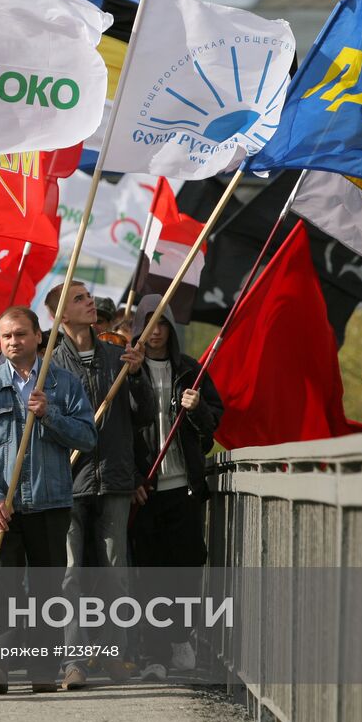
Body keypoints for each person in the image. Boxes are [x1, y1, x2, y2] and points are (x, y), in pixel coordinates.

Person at [0, 307, 96, 694]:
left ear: (39, 336)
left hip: (50, 502)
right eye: (5, 336)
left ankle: (43, 666)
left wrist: (49, 413)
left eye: (20, 334)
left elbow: (88, 438)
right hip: (1, 507)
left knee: (46, 589)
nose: (12, 342)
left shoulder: (64, 384)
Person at [48, 281, 151, 688]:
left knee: (115, 573)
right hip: (70, 480)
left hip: (115, 477)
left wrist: (138, 376)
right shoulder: (51, 365)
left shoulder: (118, 355)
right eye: (79, 299)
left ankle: (114, 654)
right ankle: (73, 661)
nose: (89, 302)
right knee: (71, 574)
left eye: (89, 296)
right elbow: (49, 425)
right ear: (61, 315)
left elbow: (143, 417)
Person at [130, 294, 223, 681]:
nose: (155, 334)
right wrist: (133, 478)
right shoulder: (128, 372)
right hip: (144, 491)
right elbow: (118, 428)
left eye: (162, 324)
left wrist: (197, 407)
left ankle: (181, 639)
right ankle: (153, 653)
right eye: (148, 326)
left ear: (171, 328)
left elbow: (212, 425)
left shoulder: (190, 370)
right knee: (149, 573)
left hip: (184, 486)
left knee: (185, 567)